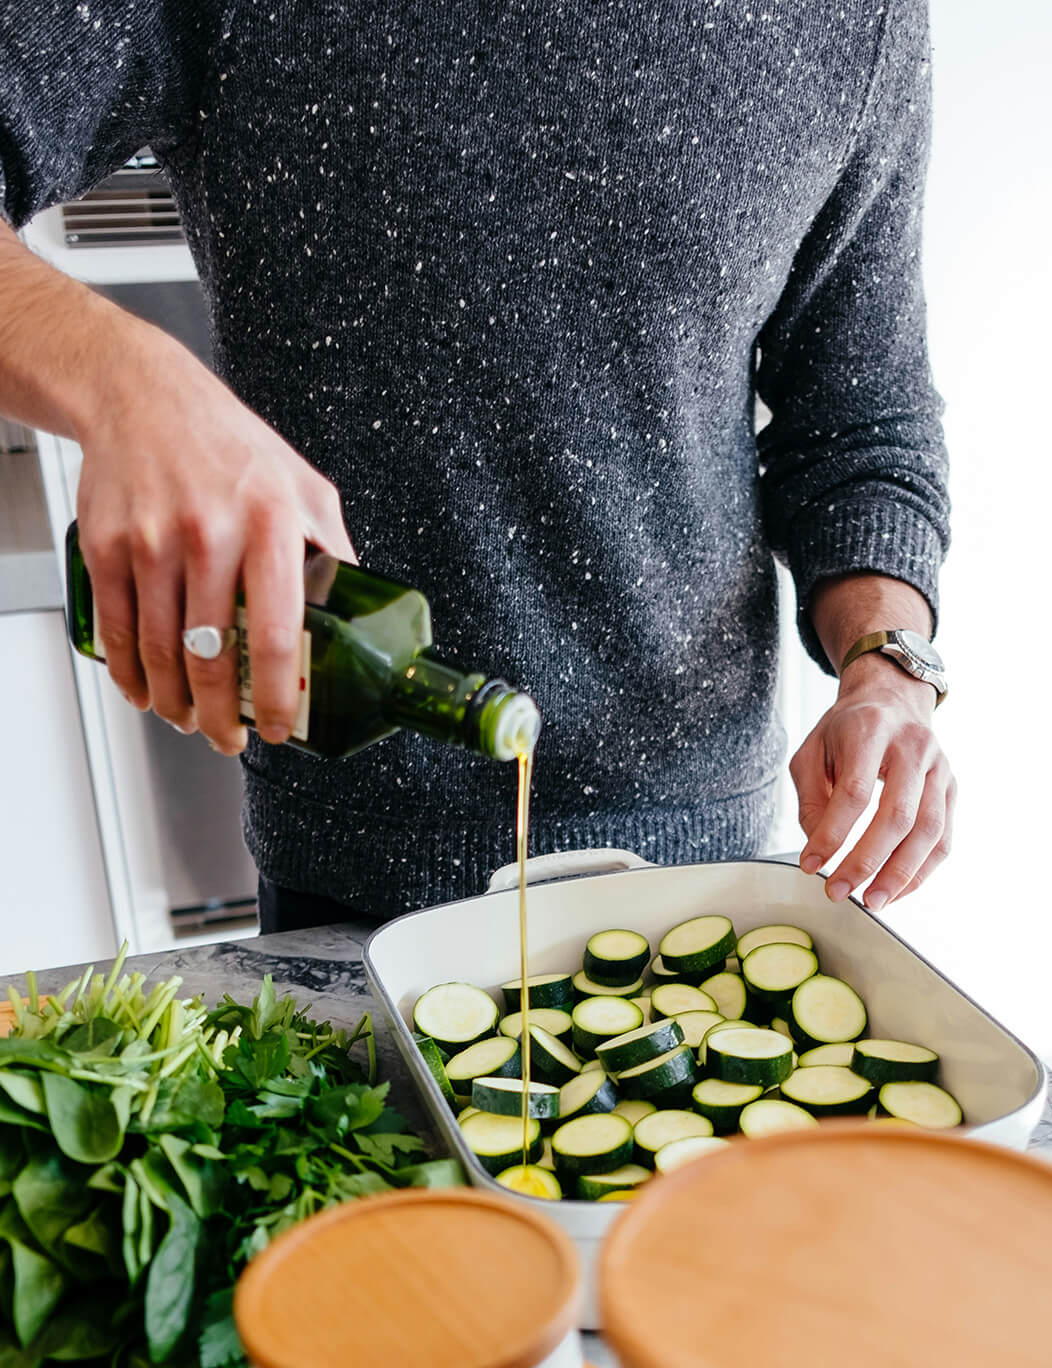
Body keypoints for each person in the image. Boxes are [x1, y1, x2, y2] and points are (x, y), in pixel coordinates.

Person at [0, 0, 955, 933]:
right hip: (354, 860)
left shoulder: (857, 21)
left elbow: (861, 420)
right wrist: (130, 381)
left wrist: (887, 668)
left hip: (701, 854)